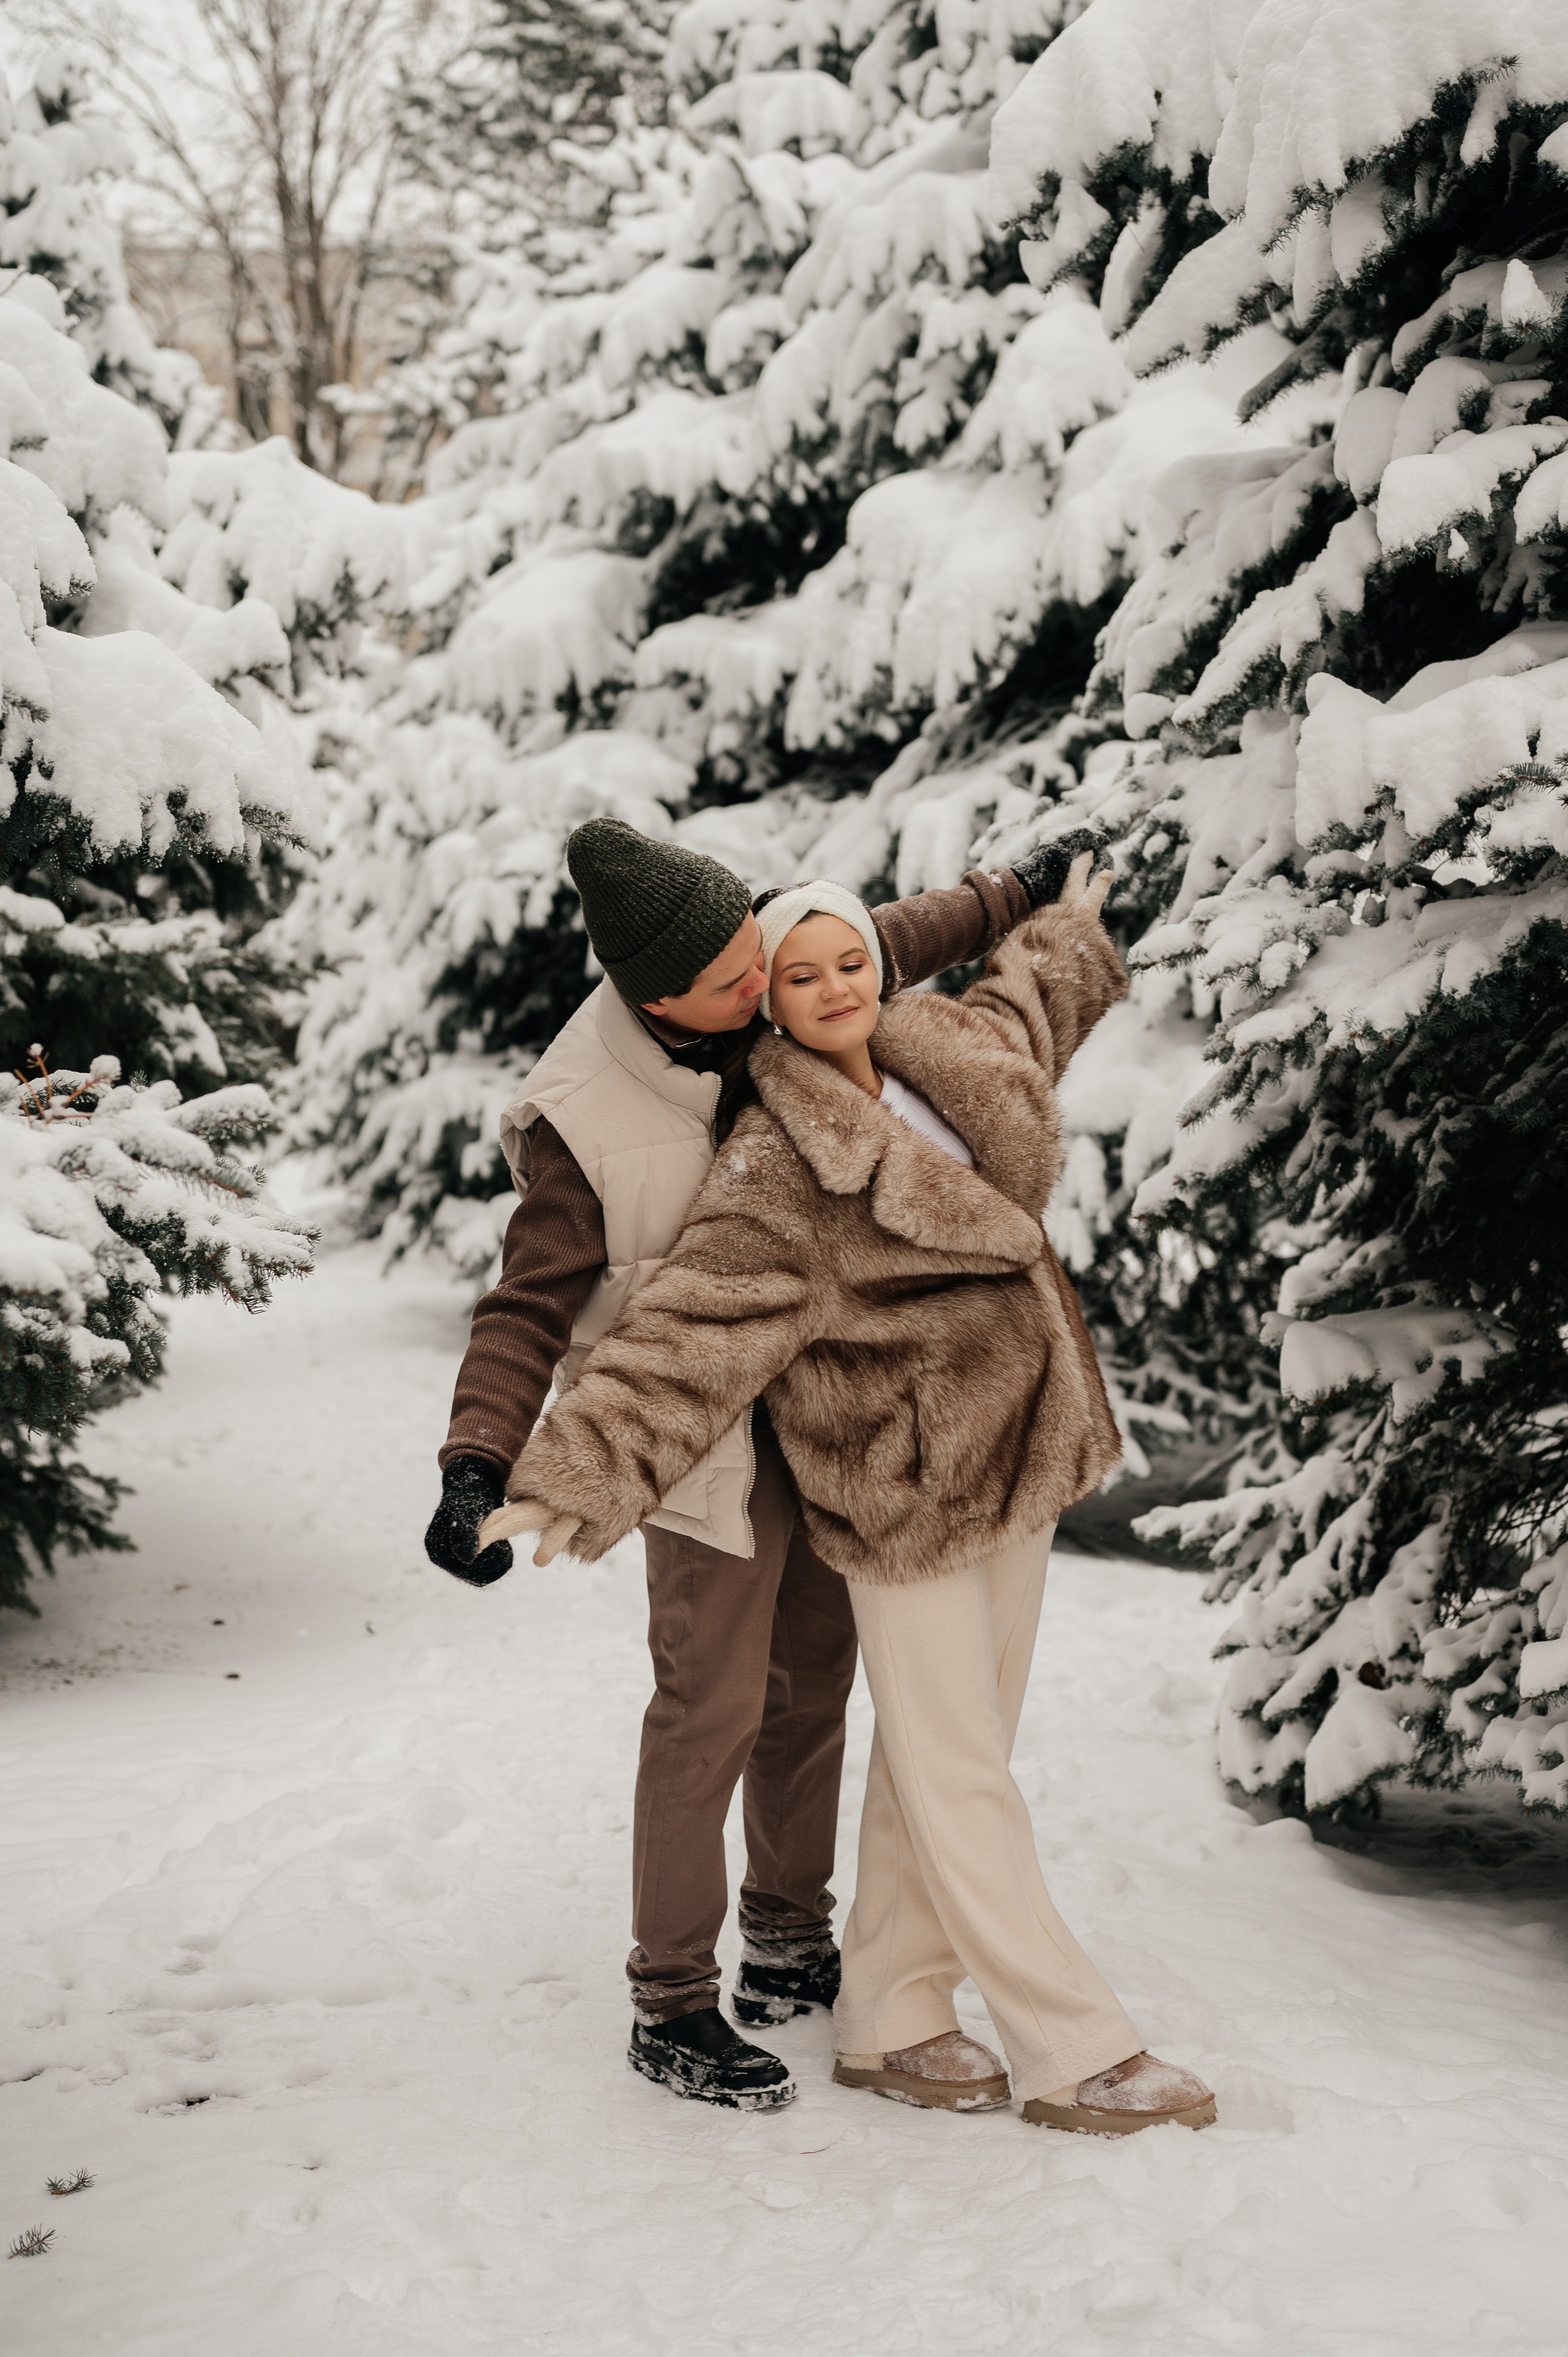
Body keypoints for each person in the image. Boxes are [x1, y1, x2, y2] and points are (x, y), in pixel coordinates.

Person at [485, 854, 1217, 2134]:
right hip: (897, 1491)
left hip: (1024, 1457)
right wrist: (565, 1475)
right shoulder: (777, 1156)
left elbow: (1030, 1000)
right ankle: (1071, 2045)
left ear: (877, 969)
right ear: (765, 998)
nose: (829, 987)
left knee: (958, 1753)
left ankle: (888, 2009)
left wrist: (1074, 922)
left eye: (847, 962)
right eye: (798, 971)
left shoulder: (944, 1043)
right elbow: (688, 1328)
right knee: (956, 1770)